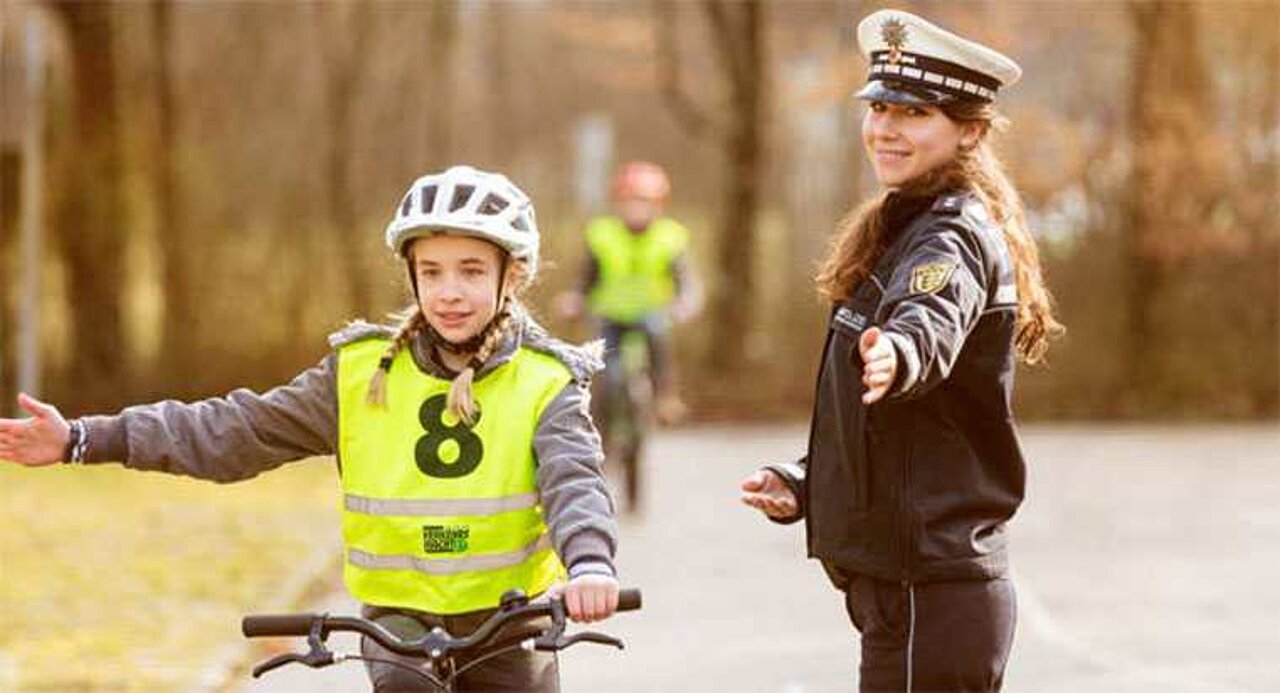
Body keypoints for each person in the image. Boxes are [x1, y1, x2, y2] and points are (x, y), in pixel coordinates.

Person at [0, 165, 621, 692]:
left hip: (511, 627)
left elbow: (575, 482)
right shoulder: (356, 376)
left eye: (470, 271)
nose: (449, 292)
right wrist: (84, 439)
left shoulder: (545, 381)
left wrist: (590, 564)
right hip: (399, 629)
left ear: (510, 276)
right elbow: (234, 430)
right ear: (411, 276)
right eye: (431, 272)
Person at [739, 10, 1063, 692]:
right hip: (909, 590)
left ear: (970, 129)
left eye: (915, 112)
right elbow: (904, 433)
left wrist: (904, 353)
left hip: (934, 590)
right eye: (880, 106)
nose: (885, 127)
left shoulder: (952, 236)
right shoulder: (901, 225)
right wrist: (808, 481)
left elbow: (931, 319)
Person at [557, 160, 702, 425]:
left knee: (657, 334)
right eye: (629, 202)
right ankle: (596, 424)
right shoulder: (602, 234)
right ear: (618, 204)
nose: (636, 209)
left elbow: (686, 281)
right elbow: (585, 279)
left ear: (658, 205)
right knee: (602, 368)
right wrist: (574, 299)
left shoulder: (670, 237)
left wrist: (686, 302)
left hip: (651, 312)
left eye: (643, 202)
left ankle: (665, 397)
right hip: (609, 314)